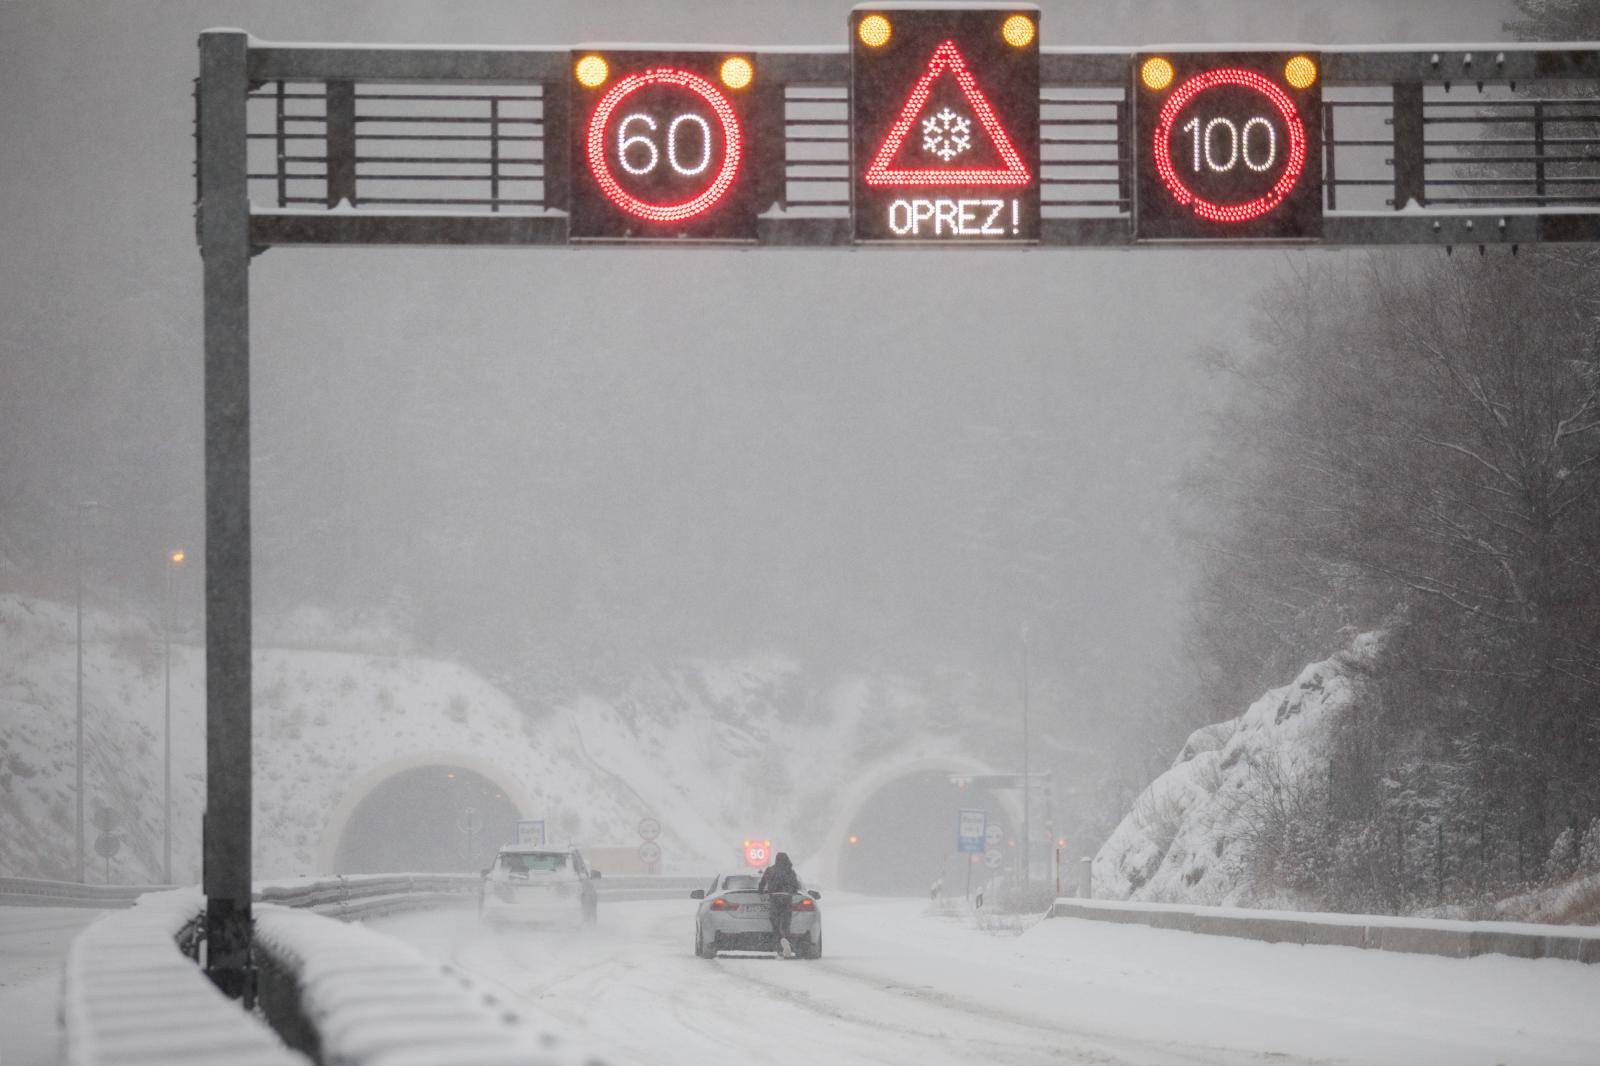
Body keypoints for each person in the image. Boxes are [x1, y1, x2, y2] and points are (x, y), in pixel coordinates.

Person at [758, 851, 801, 958]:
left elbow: (762, 884)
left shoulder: (770, 870)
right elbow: (796, 886)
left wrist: (761, 891)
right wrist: (791, 891)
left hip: (774, 899)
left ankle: (779, 947)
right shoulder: (790, 871)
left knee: (775, 924)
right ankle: (786, 939)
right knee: (786, 923)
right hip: (787, 899)